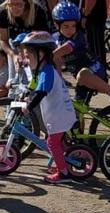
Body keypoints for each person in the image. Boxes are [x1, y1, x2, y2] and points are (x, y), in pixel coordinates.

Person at [18, 31, 78, 185]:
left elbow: (41, 92)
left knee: (52, 143)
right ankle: (62, 164)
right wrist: (26, 96)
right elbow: (34, 88)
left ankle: (64, 173)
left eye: (29, 56)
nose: (27, 60)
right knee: (57, 143)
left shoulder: (47, 72)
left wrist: (29, 106)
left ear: (41, 54)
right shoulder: (43, 70)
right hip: (59, 113)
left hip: (59, 114)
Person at [51, 1, 110, 113]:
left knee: (82, 75)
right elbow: (57, 61)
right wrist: (59, 82)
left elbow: (66, 49)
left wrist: (48, 56)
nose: (70, 30)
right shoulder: (56, 38)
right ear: (57, 25)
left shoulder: (78, 36)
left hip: (95, 72)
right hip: (81, 81)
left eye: (73, 26)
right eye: (66, 26)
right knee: (76, 111)